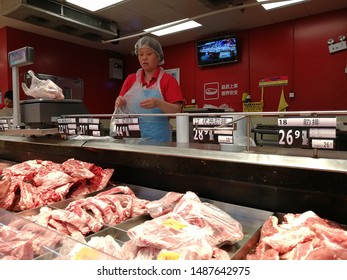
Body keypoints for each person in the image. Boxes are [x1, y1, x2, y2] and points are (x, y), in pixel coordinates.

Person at [114, 36, 184, 142]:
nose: (144, 58)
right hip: (132, 139)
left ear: (158, 56)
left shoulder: (168, 80)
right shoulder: (131, 79)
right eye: (141, 54)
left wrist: (159, 103)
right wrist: (120, 102)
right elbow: (119, 106)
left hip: (159, 140)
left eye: (149, 54)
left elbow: (177, 111)